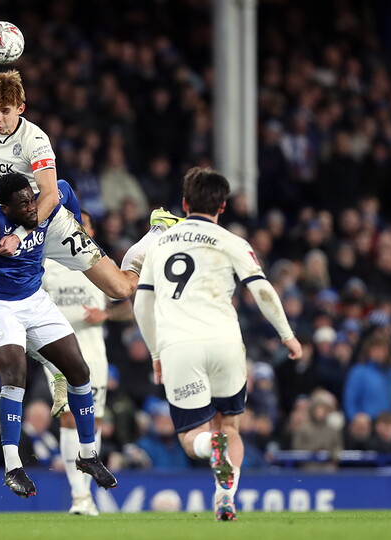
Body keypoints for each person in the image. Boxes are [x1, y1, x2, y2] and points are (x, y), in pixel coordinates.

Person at [134, 167, 302, 521]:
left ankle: (209, 447)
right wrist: (287, 335)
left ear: (184, 203)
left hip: (179, 346)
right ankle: (225, 497)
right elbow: (262, 290)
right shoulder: (232, 242)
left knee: (191, 437)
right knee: (230, 427)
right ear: (222, 207)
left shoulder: (160, 243)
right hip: (226, 343)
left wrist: (155, 353)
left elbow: (141, 303)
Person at [0, 172, 117, 498]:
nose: (32, 208)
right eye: (22, 204)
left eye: (31, 199)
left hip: (36, 301)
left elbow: (65, 188)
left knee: (79, 371)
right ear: (6, 208)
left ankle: (88, 455)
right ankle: (13, 466)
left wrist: (74, 220)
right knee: (15, 377)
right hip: (2, 307)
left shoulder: (43, 204)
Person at [0, 70, 177, 301]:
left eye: (5, 111)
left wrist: (20, 235)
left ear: (20, 109)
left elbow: (51, 196)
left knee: (120, 289)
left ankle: (158, 231)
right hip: (8, 224)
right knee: (12, 299)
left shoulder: (35, 139)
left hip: (50, 222)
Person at [34, 210, 132, 516]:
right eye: (74, 221)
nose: (79, 227)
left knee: (95, 421)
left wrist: (105, 314)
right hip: (59, 355)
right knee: (68, 420)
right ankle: (78, 496)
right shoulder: (46, 265)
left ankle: (86, 495)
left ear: (88, 229)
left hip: (94, 354)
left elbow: (126, 307)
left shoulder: (100, 264)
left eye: (84, 223)